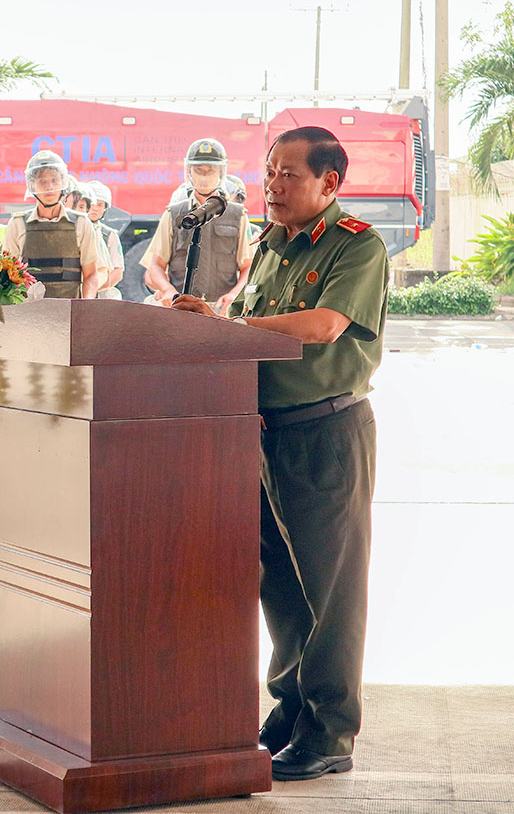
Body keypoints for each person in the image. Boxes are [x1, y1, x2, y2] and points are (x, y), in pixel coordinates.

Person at [173, 126, 388, 782]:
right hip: (263, 431)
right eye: (269, 173)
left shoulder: (357, 245)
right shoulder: (270, 244)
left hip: (326, 434)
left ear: (330, 182)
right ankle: (292, 707)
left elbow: (322, 326)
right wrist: (208, 318)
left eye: (289, 174)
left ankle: (330, 731)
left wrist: (227, 325)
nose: (273, 185)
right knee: (281, 584)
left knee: (330, 589)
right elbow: (247, 323)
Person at [141, 138, 253, 312]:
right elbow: (156, 265)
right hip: (180, 307)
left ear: (220, 173)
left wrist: (235, 295)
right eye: (199, 170)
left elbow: (248, 267)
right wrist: (168, 291)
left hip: (220, 309)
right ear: (189, 172)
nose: (204, 175)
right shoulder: (173, 213)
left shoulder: (238, 215)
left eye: (210, 170)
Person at [1, 151, 101, 299]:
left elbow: (91, 274)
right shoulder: (18, 224)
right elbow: (7, 275)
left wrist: (86, 307)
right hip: (29, 314)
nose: (49, 187)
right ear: (32, 186)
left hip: (70, 312)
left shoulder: (81, 223)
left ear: (63, 183)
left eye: (54, 180)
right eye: (42, 181)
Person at [88, 182, 125, 300]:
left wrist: (93, 290)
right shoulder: (74, 230)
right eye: (92, 203)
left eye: (100, 205)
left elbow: (117, 272)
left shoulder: (109, 235)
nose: (95, 208)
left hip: (101, 296)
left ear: (105, 209)